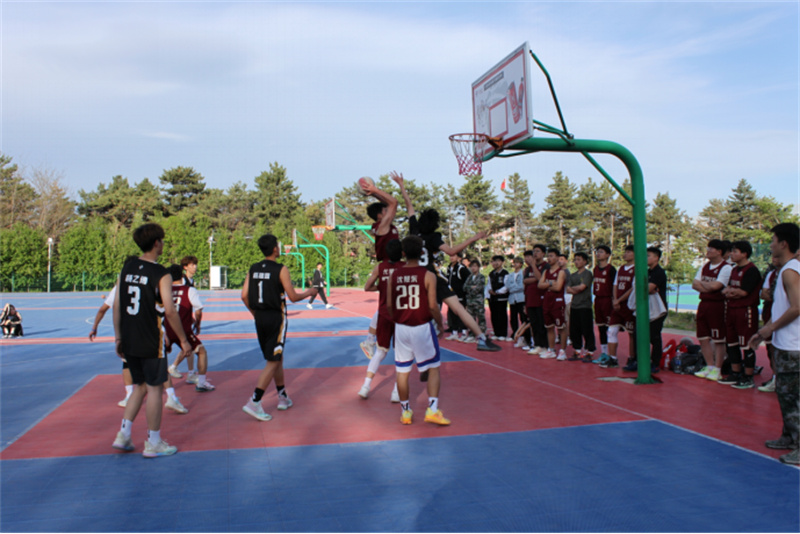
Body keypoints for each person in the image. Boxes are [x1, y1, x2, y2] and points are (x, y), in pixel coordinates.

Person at [111, 223, 192, 458]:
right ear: (157, 243)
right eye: (162, 240)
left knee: (141, 386)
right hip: (150, 338)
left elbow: (117, 305)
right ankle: (153, 442)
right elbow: (170, 311)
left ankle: (124, 434)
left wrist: (118, 336)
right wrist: (184, 340)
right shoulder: (161, 273)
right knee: (155, 388)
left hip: (129, 337)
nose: (163, 244)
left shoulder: (127, 268)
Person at [397, 181, 499, 352]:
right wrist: (473, 238)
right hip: (431, 275)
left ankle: (415, 341)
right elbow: (451, 251)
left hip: (414, 275)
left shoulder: (413, 230)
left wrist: (401, 185)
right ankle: (481, 338)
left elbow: (409, 205)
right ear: (435, 224)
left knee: (417, 308)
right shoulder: (434, 237)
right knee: (458, 308)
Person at [241, 234, 318, 422]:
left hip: (259, 318)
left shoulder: (253, 268)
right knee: (273, 360)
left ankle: (282, 396)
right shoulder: (281, 269)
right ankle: (254, 401)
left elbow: (244, 295)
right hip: (276, 318)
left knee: (277, 357)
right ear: (275, 248)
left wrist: (255, 313)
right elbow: (293, 297)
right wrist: (309, 292)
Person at [749, 222, 800, 465]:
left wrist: (770, 328)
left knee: (793, 397)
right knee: (785, 394)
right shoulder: (785, 270)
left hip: (793, 345)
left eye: (773, 240)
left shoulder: (791, 271)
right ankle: (789, 437)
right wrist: (764, 332)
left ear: (784, 243)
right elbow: (782, 308)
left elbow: (797, 307)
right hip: (785, 342)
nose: (770, 245)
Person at [386, 236, 449, 426]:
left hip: (401, 328)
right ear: (422, 252)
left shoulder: (393, 276)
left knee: (402, 371)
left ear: (403, 253)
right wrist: (440, 324)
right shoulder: (428, 275)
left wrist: (397, 319)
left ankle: (405, 412)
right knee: (433, 367)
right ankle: (432, 410)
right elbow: (432, 306)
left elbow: (389, 305)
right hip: (421, 327)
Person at [359, 173, 401, 358]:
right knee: (390, 306)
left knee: (386, 306)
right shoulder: (382, 226)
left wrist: (374, 194)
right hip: (389, 267)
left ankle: (369, 340)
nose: (389, 211)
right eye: (385, 210)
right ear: (380, 215)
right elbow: (394, 202)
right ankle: (370, 340)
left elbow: (390, 204)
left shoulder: (385, 226)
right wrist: (374, 190)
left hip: (390, 267)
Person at [359, 239, 402, 402]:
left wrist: (381, 287)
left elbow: (367, 287)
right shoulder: (406, 267)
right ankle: (396, 391)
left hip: (384, 314)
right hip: (401, 315)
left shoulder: (380, 267)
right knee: (401, 354)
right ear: (402, 252)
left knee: (380, 352)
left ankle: (365, 386)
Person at [718, 241, 762, 389]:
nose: (731, 254)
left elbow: (743, 292)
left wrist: (731, 292)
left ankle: (748, 376)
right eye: (731, 251)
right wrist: (732, 292)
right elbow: (728, 289)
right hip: (732, 309)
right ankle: (735, 373)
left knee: (747, 344)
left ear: (744, 254)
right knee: (732, 343)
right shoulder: (734, 270)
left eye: (735, 251)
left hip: (745, 311)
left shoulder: (752, 270)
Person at [164, 264, 214, 392]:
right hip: (183, 331)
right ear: (182, 275)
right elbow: (198, 309)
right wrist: (197, 323)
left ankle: (152, 385)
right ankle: (201, 382)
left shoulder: (164, 291)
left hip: (166, 330)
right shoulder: (189, 290)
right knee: (201, 352)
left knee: (158, 357)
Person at [692, 239, 733, 382]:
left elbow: (716, 286)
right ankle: (709, 366)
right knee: (703, 337)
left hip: (718, 305)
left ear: (719, 251)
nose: (708, 251)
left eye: (711, 248)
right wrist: (708, 286)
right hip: (704, 304)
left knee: (718, 338)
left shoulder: (726, 267)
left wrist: (704, 285)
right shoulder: (704, 266)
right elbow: (694, 284)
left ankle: (718, 368)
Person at [605, 245, 636, 369]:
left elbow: (633, 288)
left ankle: (632, 358)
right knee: (611, 331)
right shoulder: (621, 268)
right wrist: (615, 299)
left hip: (629, 306)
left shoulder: (637, 269)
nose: (625, 254)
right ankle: (612, 358)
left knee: (631, 333)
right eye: (625, 251)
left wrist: (619, 300)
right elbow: (615, 285)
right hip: (617, 305)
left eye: (629, 252)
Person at [538, 248, 567, 360]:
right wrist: (551, 283)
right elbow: (539, 285)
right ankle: (551, 350)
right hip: (547, 301)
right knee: (549, 327)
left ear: (557, 258)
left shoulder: (561, 272)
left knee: (561, 328)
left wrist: (546, 284)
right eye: (548, 256)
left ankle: (562, 351)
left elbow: (558, 287)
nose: (549, 258)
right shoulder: (546, 272)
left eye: (551, 256)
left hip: (557, 302)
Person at [566, 252, 595, 362]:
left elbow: (582, 287)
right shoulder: (573, 275)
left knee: (587, 330)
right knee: (574, 330)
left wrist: (574, 289)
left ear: (585, 261)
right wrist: (576, 289)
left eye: (579, 259)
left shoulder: (588, 274)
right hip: (574, 305)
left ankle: (590, 351)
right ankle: (577, 350)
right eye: (575, 260)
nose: (576, 262)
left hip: (585, 305)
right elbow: (568, 289)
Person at [592, 245, 616, 363]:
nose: (598, 254)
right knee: (600, 328)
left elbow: (615, 286)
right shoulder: (595, 269)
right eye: (597, 252)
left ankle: (611, 355)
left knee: (609, 328)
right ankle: (604, 353)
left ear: (607, 255)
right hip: (598, 300)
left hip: (608, 300)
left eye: (601, 252)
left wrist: (615, 300)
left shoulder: (611, 269)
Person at [523, 246, 549, 354]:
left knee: (542, 324)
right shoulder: (528, 268)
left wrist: (534, 266)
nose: (535, 253)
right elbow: (525, 281)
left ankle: (545, 346)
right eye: (534, 251)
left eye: (538, 251)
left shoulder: (546, 266)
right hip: (530, 299)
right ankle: (537, 345)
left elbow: (540, 279)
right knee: (534, 324)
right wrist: (535, 279)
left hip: (541, 299)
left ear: (543, 254)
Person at [758, 263, 779, 392]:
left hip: (788, 317)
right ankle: (776, 378)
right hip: (771, 312)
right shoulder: (771, 273)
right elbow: (764, 294)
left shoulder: (793, 271)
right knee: (771, 346)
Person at [445, 252, 469, 341]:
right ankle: (454, 332)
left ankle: (464, 332)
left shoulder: (461, 268)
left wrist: (464, 292)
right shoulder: (449, 268)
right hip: (451, 296)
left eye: (454, 255)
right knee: (452, 314)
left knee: (462, 314)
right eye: (450, 256)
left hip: (460, 296)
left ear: (459, 257)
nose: (451, 257)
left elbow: (468, 280)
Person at [463, 259, 487, 341]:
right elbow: (464, 287)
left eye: (475, 266)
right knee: (471, 319)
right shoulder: (469, 277)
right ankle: (471, 334)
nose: (473, 268)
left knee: (481, 318)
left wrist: (470, 289)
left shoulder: (481, 277)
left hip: (478, 301)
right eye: (472, 266)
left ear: (478, 267)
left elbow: (479, 288)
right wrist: (471, 287)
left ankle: (482, 334)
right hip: (470, 301)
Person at [505, 257, 527, 348]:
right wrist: (513, 287)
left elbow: (521, 286)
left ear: (521, 264)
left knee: (522, 317)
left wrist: (513, 288)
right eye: (514, 262)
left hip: (521, 298)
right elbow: (507, 285)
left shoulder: (523, 273)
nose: (515, 264)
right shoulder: (510, 275)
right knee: (513, 317)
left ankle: (523, 336)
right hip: (512, 299)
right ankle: (514, 333)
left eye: (517, 262)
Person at [487, 255, 510, 340]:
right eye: (494, 261)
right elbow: (489, 284)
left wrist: (497, 292)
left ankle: (503, 334)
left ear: (502, 262)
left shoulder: (505, 273)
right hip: (493, 298)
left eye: (498, 261)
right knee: (494, 315)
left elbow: (506, 286)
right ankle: (496, 333)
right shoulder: (491, 273)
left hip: (502, 298)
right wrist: (490, 290)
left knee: (502, 315)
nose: (495, 263)